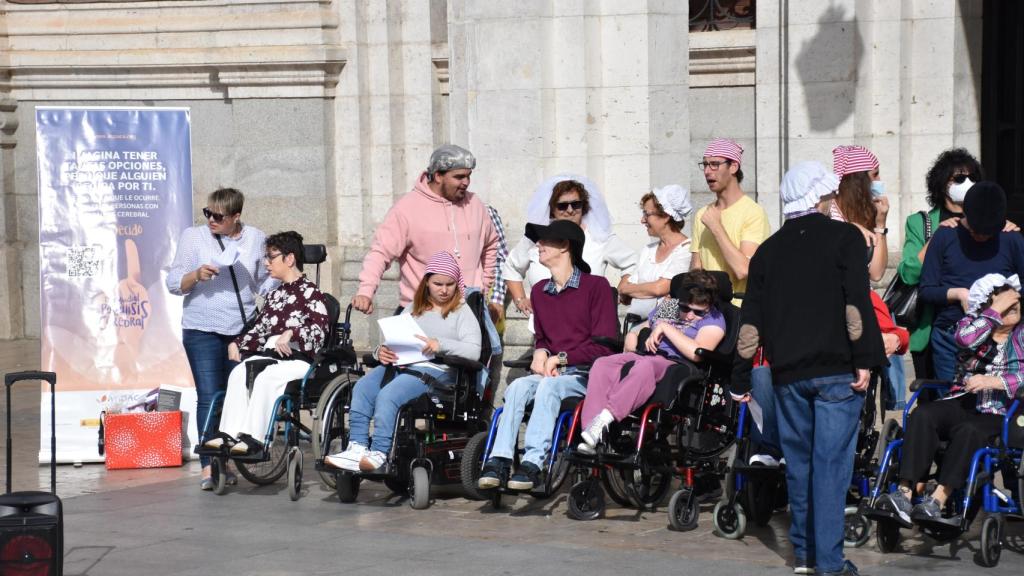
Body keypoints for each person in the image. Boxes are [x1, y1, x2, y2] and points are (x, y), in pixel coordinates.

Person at [731, 161, 885, 576]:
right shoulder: (844, 238)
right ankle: (831, 565)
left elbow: (750, 323)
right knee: (832, 468)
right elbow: (856, 301)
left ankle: (805, 556)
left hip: (788, 376)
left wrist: (739, 379)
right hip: (837, 371)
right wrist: (867, 359)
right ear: (824, 196)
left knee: (799, 467)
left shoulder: (768, 251)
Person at [478, 220, 618, 491]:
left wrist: (561, 358)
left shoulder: (596, 287)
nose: (538, 246)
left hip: (586, 375)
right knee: (518, 386)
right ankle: (500, 460)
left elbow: (605, 346)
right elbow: (543, 338)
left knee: (550, 387)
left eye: (545, 241)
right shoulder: (540, 292)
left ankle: (532, 463)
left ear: (565, 246)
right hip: (552, 374)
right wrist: (540, 352)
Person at [882, 273, 1023, 526]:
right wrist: (995, 311)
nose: (1012, 307)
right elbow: (963, 339)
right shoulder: (974, 326)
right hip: (963, 400)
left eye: (1014, 303)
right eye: (1004, 303)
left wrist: (995, 381)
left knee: (970, 430)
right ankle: (903, 494)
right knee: (923, 414)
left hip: (1002, 412)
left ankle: (937, 500)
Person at [325, 251, 483, 473]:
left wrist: (440, 344)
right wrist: (382, 351)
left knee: (388, 395)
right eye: (438, 283)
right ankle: (357, 446)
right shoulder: (414, 308)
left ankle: (380, 451)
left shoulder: (462, 311)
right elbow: (393, 339)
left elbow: (474, 350)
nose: (444, 290)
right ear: (427, 281)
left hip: (435, 370)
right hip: (402, 364)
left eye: (450, 284)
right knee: (362, 388)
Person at [166, 187, 276, 491]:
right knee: (208, 395)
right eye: (208, 213)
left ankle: (227, 460)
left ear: (236, 216)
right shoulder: (193, 237)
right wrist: (196, 275)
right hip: (201, 327)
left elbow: (266, 281)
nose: (211, 220)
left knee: (235, 395)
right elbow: (174, 282)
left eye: (219, 216)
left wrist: (281, 280)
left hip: (241, 328)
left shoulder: (255, 238)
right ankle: (207, 464)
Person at [202, 232, 331, 454]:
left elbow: (319, 331)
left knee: (266, 378)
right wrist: (238, 343)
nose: (266, 263)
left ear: (289, 259)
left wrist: (292, 332)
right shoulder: (274, 295)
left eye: (271, 258)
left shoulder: (312, 294)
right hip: (272, 356)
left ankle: (256, 439)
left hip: (298, 359)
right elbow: (260, 329)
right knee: (239, 372)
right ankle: (229, 434)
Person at [578, 270, 725, 454]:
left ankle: (605, 418)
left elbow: (697, 352)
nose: (689, 315)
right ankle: (591, 432)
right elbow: (648, 324)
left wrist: (666, 328)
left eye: (697, 311)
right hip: (647, 355)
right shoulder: (671, 306)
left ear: (708, 305)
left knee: (645, 366)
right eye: (685, 308)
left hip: (677, 364)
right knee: (602, 364)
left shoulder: (714, 319)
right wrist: (634, 332)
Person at [352, 144, 501, 321]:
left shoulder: (475, 204)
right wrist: (366, 291)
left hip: (469, 311)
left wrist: (484, 284)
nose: (466, 182)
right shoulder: (406, 209)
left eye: (468, 176)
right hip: (421, 311)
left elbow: (491, 244)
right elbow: (380, 253)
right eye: (459, 177)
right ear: (438, 175)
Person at [919, 182, 1024, 381]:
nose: (982, 237)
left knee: (994, 404)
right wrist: (958, 294)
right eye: (976, 231)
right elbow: (927, 289)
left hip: (999, 336)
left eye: (989, 233)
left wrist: (1006, 296)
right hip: (952, 334)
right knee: (950, 403)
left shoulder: (1011, 239)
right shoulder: (946, 235)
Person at [898, 149, 986, 381]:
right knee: (933, 402)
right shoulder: (921, 223)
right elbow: (908, 272)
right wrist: (937, 237)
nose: (967, 183)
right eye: (958, 179)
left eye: (972, 178)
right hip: (932, 327)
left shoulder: (985, 220)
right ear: (942, 183)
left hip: (979, 328)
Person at [504, 175, 637, 317]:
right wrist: (520, 300)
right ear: (552, 209)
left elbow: (633, 263)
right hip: (544, 320)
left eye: (575, 204)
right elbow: (512, 266)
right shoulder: (536, 236)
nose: (570, 210)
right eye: (562, 206)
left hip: (589, 321)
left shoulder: (598, 237)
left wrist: (618, 295)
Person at [690, 138, 771, 302]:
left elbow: (743, 270)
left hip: (738, 312)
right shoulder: (702, 214)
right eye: (705, 164)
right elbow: (696, 270)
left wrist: (716, 227)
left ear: (733, 166)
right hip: (705, 313)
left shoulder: (753, 213)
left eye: (714, 164)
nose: (707, 171)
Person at [617, 185, 693, 319]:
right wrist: (630, 289)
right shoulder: (648, 249)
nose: (642, 220)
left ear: (666, 216)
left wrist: (629, 289)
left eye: (647, 214)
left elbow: (660, 288)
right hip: (636, 323)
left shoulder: (686, 250)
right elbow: (625, 294)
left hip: (666, 326)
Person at [825, 145, 890, 282]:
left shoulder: (867, 211)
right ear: (859, 181)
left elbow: (876, 273)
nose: (879, 180)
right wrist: (848, 229)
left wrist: (880, 224)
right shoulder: (827, 209)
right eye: (875, 174)